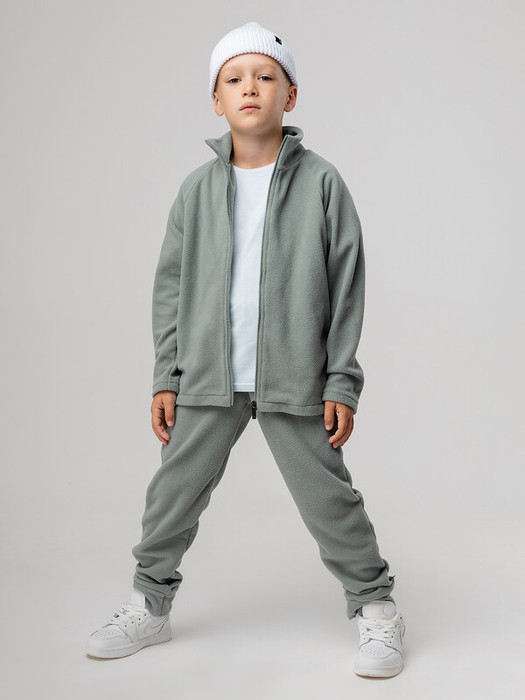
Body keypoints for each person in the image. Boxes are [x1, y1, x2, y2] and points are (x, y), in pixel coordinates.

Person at [85, 21, 406, 678]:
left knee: (329, 500)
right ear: (216, 99)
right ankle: (149, 604)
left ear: (291, 94)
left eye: (265, 76)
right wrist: (166, 375)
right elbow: (169, 288)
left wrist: (340, 381)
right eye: (234, 78)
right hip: (208, 375)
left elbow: (347, 287)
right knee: (172, 495)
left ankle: (376, 607)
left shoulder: (322, 183)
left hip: (296, 376)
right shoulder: (196, 191)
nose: (250, 87)